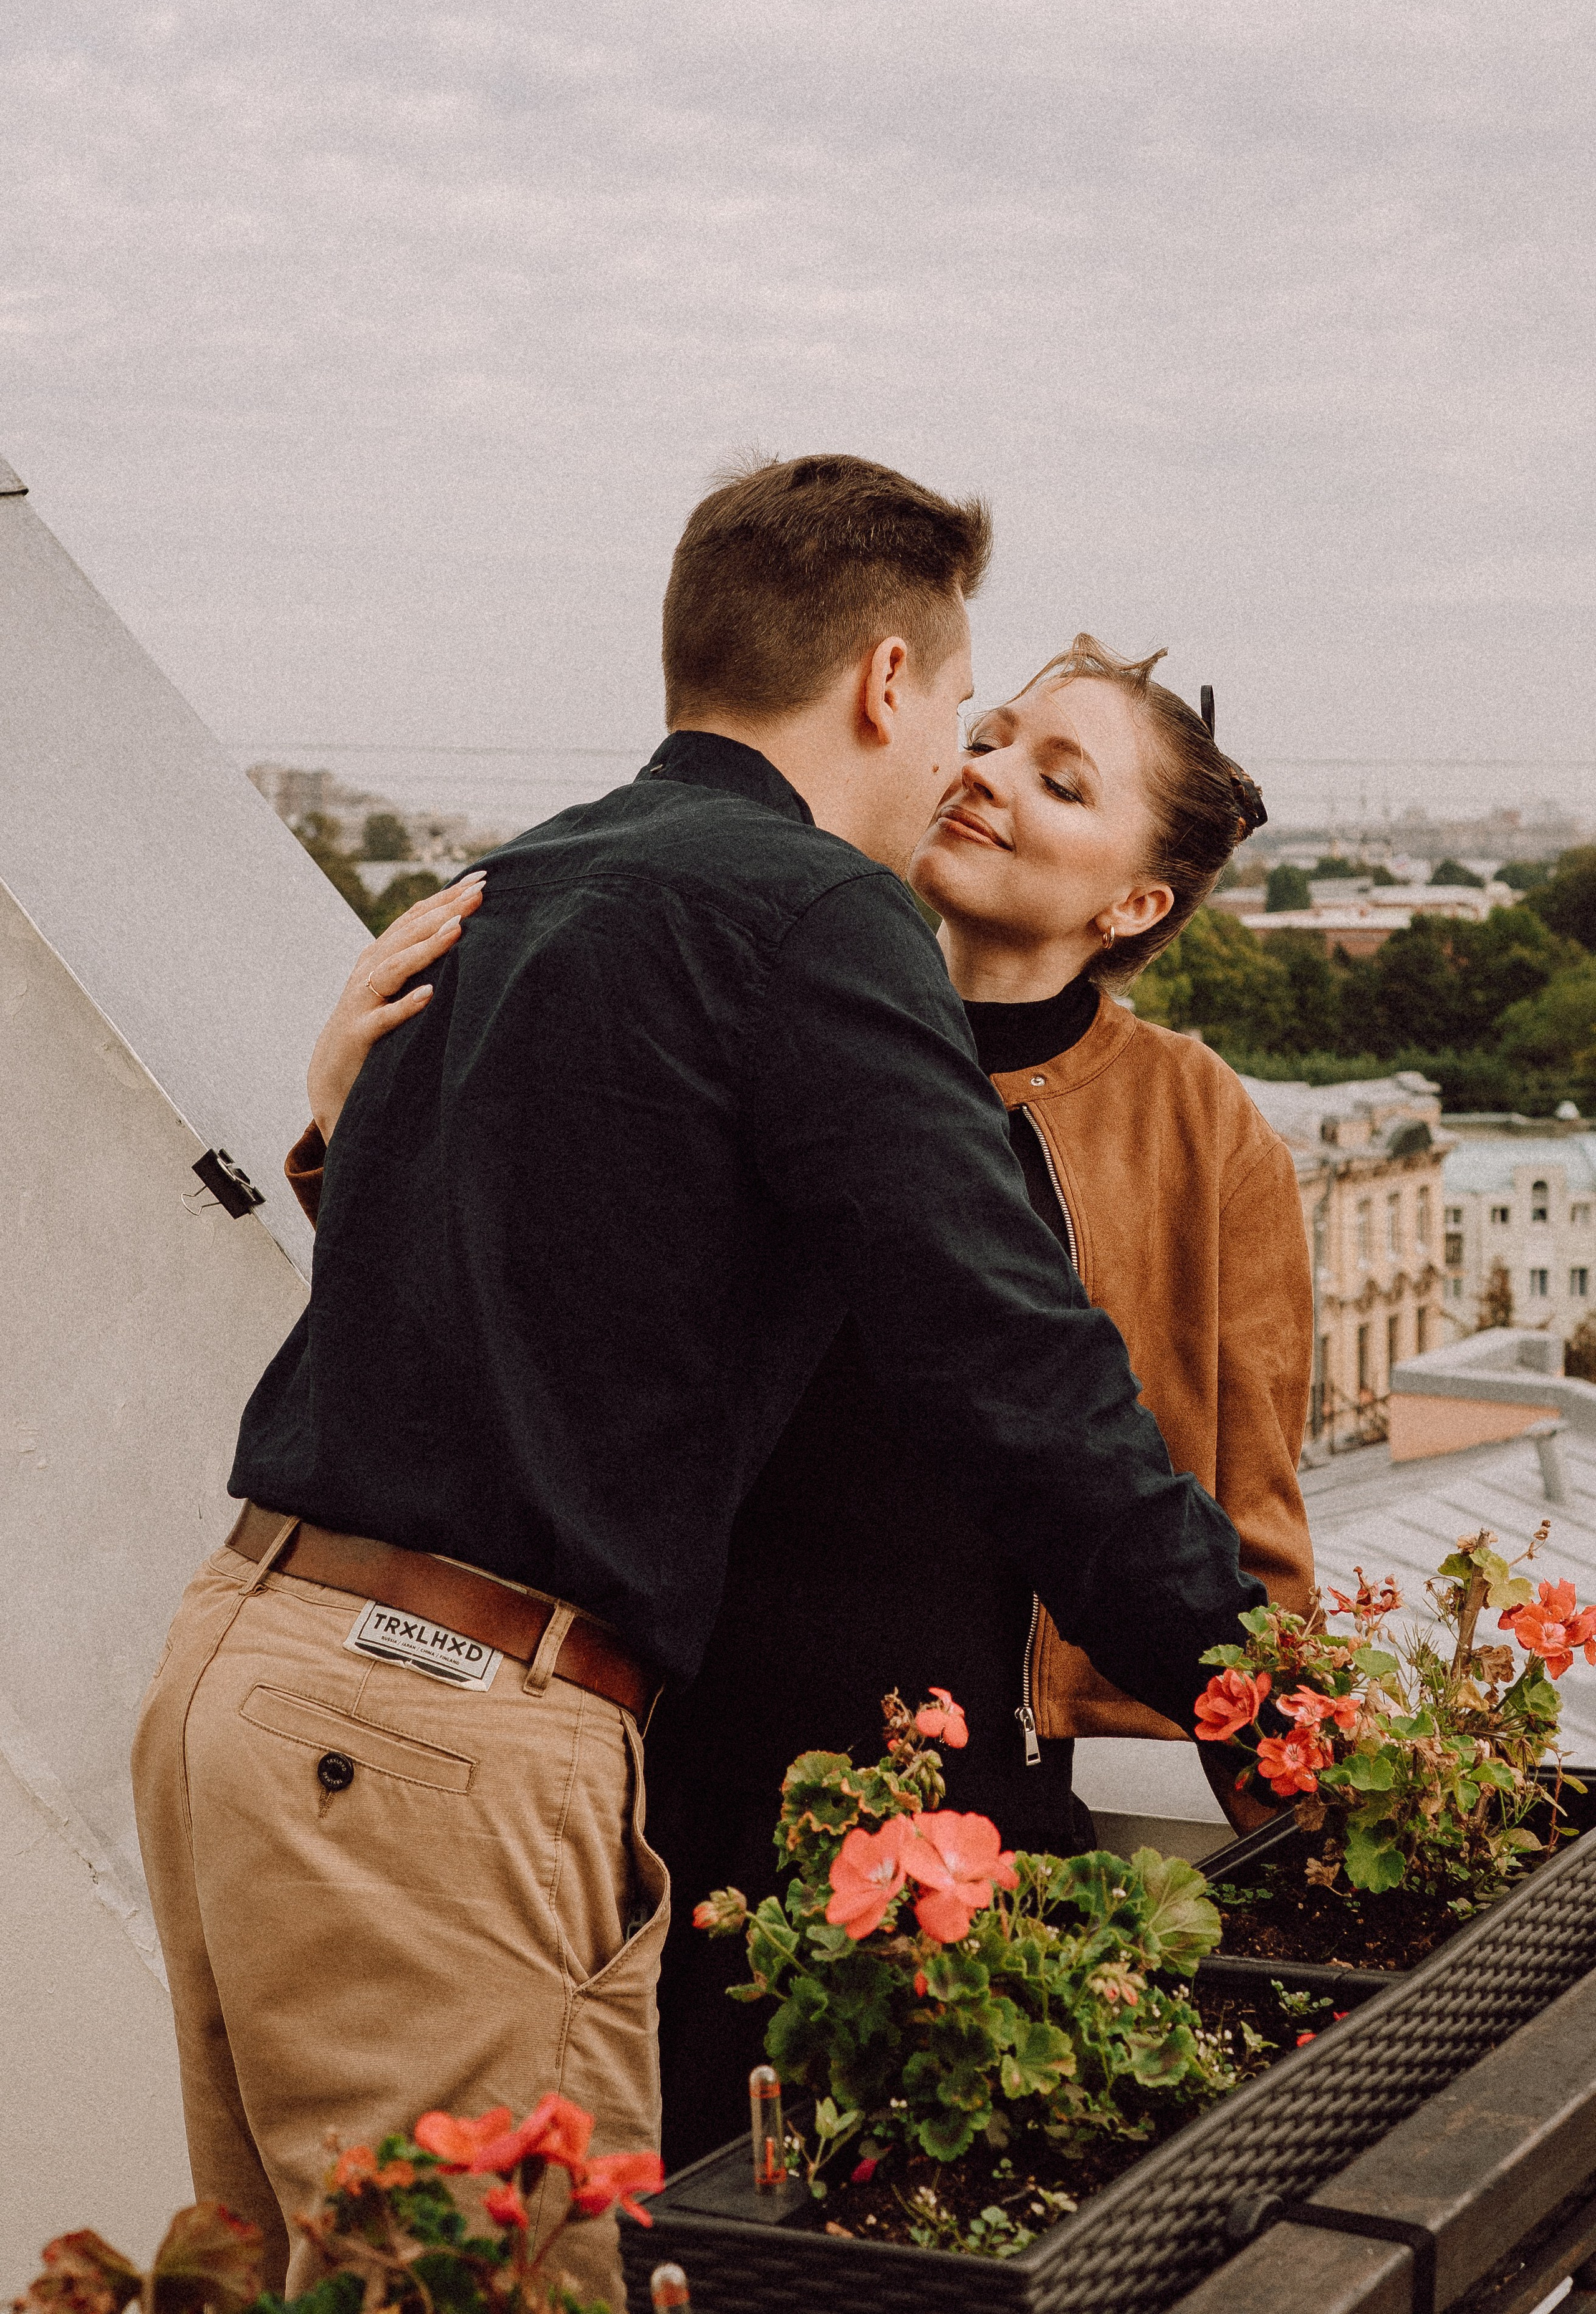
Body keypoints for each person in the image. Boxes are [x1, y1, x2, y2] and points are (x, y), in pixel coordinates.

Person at [132, 455, 1267, 2296]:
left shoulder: (518, 881)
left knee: (297, 2277)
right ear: (885, 682)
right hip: (439, 1731)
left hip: (244, 1685)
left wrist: (342, 1142)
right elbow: (1016, 1366)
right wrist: (1266, 1695)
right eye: (964, 712)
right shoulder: (819, 915)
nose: (955, 765)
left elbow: (529, 1288)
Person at [292, 635, 1314, 2174]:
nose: (983, 775)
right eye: (987, 735)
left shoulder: (1195, 1123)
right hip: (664, 1767)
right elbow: (530, 1310)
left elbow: (1242, 1495)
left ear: (1134, 905)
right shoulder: (774, 993)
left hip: (957, 1798)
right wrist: (341, 1132)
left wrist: (1312, 1798)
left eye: (1059, 778)